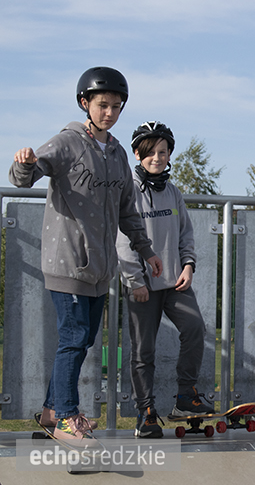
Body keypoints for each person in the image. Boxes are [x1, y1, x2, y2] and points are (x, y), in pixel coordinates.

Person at [8, 67, 163, 442]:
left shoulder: (118, 154)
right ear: (85, 104)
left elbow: (128, 209)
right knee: (74, 337)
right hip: (66, 262)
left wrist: (146, 250)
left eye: (116, 106)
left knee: (84, 339)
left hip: (100, 267)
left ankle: (50, 410)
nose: (109, 112)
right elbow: (24, 177)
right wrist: (25, 163)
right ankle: (66, 417)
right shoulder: (68, 142)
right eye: (102, 105)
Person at [116, 121, 215, 438]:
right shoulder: (127, 190)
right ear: (137, 154)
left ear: (170, 154)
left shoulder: (172, 192)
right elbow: (122, 239)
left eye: (163, 152)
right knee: (143, 352)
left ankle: (186, 395)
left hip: (175, 282)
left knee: (195, 327)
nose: (157, 158)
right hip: (142, 286)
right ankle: (145, 413)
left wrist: (188, 266)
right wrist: (135, 281)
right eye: (150, 153)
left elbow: (186, 233)